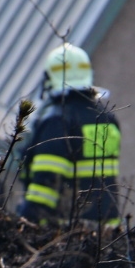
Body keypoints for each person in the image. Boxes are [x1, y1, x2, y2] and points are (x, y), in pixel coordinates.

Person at [18, 42, 122, 227]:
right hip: (109, 227)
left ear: (50, 77)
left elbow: (47, 182)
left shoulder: (58, 122)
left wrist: (26, 219)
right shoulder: (107, 119)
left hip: (68, 231)